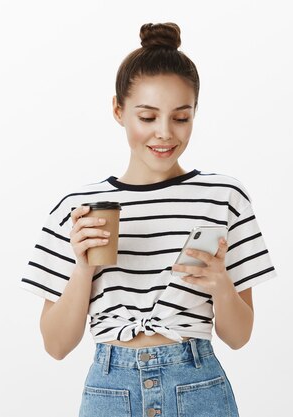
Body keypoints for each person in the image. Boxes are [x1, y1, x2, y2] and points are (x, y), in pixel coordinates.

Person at [19, 22, 277, 417]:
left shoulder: (223, 197)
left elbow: (240, 336)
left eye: (180, 117)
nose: (164, 134)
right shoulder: (79, 207)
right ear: (119, 111)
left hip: (197, 384)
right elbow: (55, 346)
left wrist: (221, 284)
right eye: (147, 116)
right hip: (111, 391)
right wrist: (83, 268)